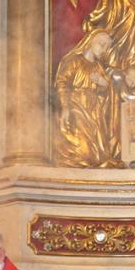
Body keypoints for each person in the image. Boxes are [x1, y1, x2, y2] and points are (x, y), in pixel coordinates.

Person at [54, 30, 125, 168]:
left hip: (95, 111)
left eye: (107, 47)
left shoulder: (98, 67)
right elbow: (62, 83)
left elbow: (106, 91)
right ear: (89, 41)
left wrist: (103, 83)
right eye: (101, 44)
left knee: (100, 152)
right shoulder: (74, 61)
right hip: (77, 106)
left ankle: (95, 161)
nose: (104, 50)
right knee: (84, 148)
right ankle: (80, 161)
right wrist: (66, 107)